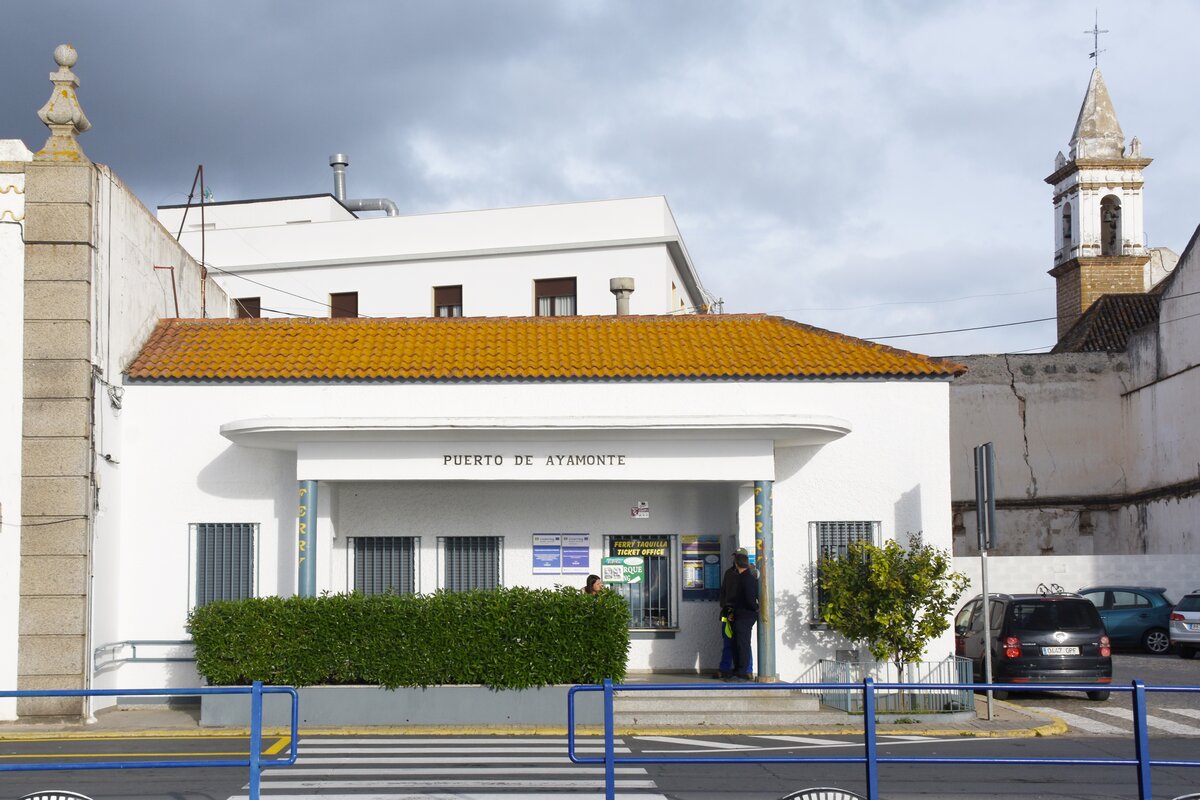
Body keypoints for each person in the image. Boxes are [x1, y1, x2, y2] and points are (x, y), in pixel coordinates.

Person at [717, 547, 754, 679]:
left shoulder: (750, 573)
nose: (735, 560)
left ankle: (747, 670)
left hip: (742, 613)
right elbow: (723, 591)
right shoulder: (729, 573)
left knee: (743, 642)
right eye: (735, 557)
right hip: (728, 612)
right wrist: (725, 606)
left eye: (737, 557)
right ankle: (725, 668)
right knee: (728, 641)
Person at [728, 551, 759, 682]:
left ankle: (741, 672)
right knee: (737, 643)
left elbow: (749, 598)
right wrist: (732, 613)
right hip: (740, 615)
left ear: (736, 564)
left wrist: (755, 609)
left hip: (745, 616)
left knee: (742, 644)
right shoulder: (744, 577)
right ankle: (738, 670)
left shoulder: (747, 578)